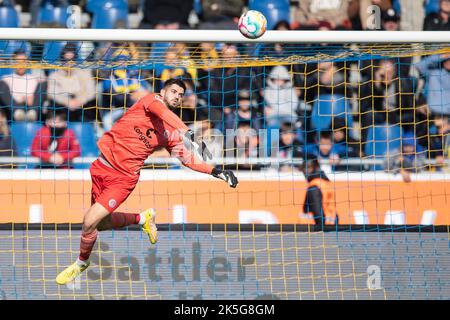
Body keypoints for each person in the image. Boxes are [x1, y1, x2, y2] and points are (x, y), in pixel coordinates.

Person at [55, 78, 238, 285]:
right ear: (162, 92)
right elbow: (165, 114)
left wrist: (215, 171)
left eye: (180, 95)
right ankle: (142, 219)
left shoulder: (170, 134)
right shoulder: (150, 101)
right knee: (102, 223)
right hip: (100, 167)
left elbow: (187, 160)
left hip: (123, 179)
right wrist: (191, 134)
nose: (177, 97)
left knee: (89, 221)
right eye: (174, 92)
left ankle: (81, 263)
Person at [46, 43, 97, 122]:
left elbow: (91, 91)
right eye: (66, 60)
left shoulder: (84, 73)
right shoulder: (54, 76)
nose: (69, 63)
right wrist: (67, 102)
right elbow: (52, 94)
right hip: (63, 109)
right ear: (61, 60)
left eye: (72, 60)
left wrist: (80, 100)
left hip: (82, 106)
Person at [0, 49, 45, 122]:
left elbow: (40, 95)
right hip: (14, 109)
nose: (21, 65)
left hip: (32, 107)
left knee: (43, 84)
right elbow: (6, 96)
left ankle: (33, 113)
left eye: (23, 62)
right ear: (13, 63)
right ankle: (18, 112)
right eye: (18, 62)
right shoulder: (6, 79)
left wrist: (31, 99)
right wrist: (23, 98)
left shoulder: (35, 78)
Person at [300, 158, 338, 227]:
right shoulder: (325, 183)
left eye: (308, 167)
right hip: (331, 225)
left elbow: (318, 212)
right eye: (303, 168)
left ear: (316, 167)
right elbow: (334, 212)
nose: (305, 171)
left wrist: (320, 229)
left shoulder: (314, 187)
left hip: (316, 229)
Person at [415, 53, 450, 118]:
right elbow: (419, 65)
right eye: (447, 60)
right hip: (432, 114)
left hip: (447, 116)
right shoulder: (433, 72)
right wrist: (441, 56)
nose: (448, 61)